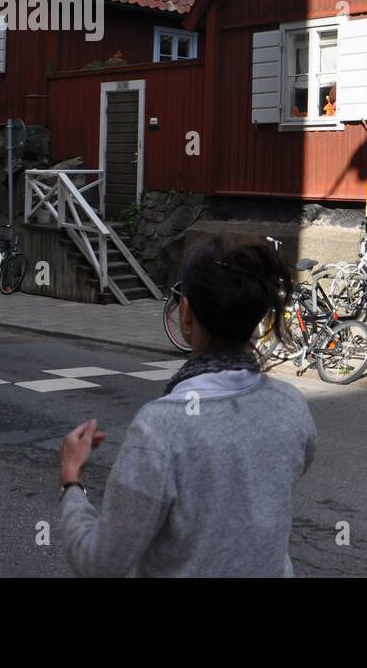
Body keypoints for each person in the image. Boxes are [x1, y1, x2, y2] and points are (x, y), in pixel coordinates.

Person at [57, 238, 316, 577]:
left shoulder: (160, 428)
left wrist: (71, 480)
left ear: (185, 314)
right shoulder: (291, 406)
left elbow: (101, 563)